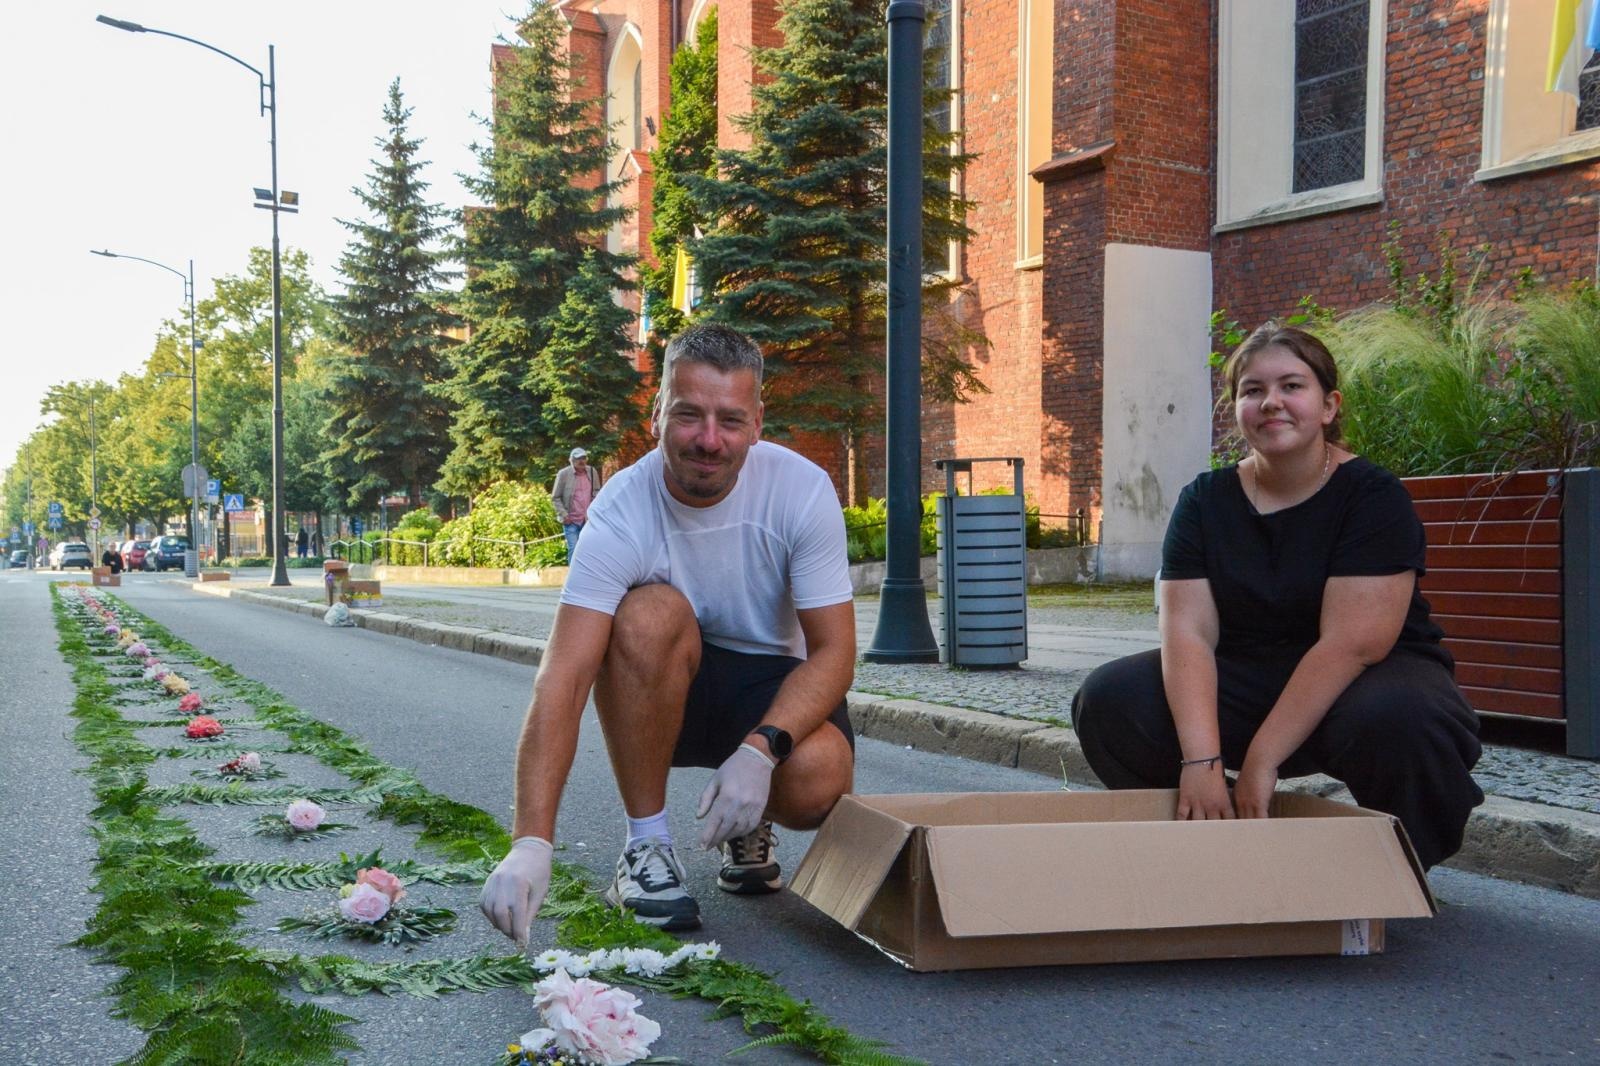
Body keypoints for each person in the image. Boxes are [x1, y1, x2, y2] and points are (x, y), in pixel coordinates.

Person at [480, 323, 856, 945]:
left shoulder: (801, 490)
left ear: (759, 421)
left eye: (730, 420)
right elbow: (565, 674)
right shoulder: (622, 508)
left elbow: (836, 653)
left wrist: (760, 752)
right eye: (689, 416)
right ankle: (646, 849)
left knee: (818, 779)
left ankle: (750, 813)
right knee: (646, 614)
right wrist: (530, 840)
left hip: (770, 690)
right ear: (657, 414)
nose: (709, 440)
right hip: (663, 686)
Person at [1070, 322, 1483, 870]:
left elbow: (1352, 645)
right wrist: (1203, 761)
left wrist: (1262, 763)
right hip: (1245, 675)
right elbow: (1187, 632)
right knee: (1111, 699)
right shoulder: (1205, 500)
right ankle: (1214, 844)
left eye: (1292, 386)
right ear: (1236, 408)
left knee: (1402, 716)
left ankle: (1399, 869)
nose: (1272, 403)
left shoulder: (1372, 496)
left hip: (1365, 682)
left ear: (1329, 406)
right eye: (1252, 390)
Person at [550, 447, 601, 564]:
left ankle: (586, 578)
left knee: (588, 550)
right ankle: (573, 580)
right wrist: (564, 515)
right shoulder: (563, 474)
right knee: (573, 549)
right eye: (578, 459)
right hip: (570, 520)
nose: (582, 461)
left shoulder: (592, 472)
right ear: (572, 460)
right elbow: (555, 497)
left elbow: (597, 493)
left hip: (587, 520)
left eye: (584, 458)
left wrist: (594, 513)